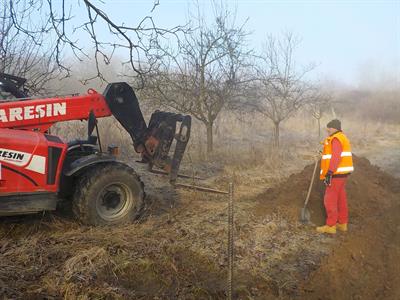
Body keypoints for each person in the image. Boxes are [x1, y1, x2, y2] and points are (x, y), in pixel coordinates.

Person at [317, 119, 354, 234]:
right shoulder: (342, 137)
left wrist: (329, 173)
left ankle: (331, 226)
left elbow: (336, 157)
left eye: (329, 128)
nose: (327, 130)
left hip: (336, 174)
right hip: (342, 175)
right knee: (341, 198)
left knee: (330, 199)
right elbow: (332, 154)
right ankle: (342, 223)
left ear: (334, 128)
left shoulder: (336, 138)